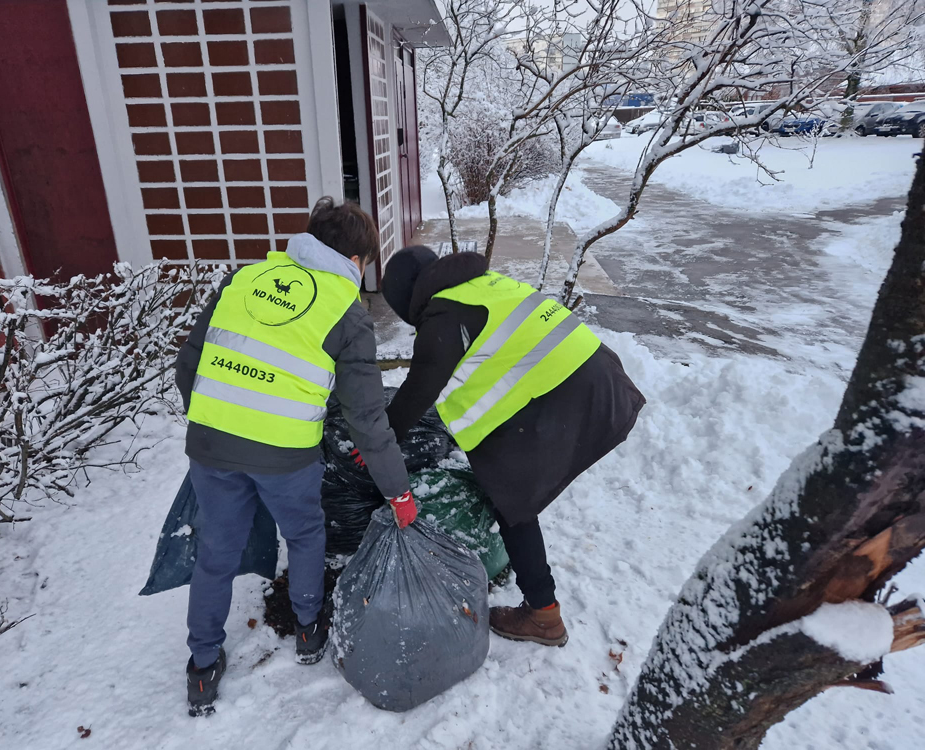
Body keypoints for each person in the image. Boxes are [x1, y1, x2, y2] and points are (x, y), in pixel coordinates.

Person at [174, 197, 416, 716]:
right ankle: (309, 630)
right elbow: (367, 420)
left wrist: (219, 419)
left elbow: (188, 363)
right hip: (285, 453)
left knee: (216, 551)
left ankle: (201, 666)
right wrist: (398, 490)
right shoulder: (347, 311)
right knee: (305, 534)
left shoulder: (244, 278)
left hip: (211, 443)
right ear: (356, 259)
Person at [380, 247, 645, 648]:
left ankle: (543, 616)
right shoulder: (485, 285)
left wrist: (377, 442)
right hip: (603, 381)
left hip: (568, 395)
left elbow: (418, 391)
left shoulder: (444, 315)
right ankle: (543, 611)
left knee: (511, 500)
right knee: (511, 492)